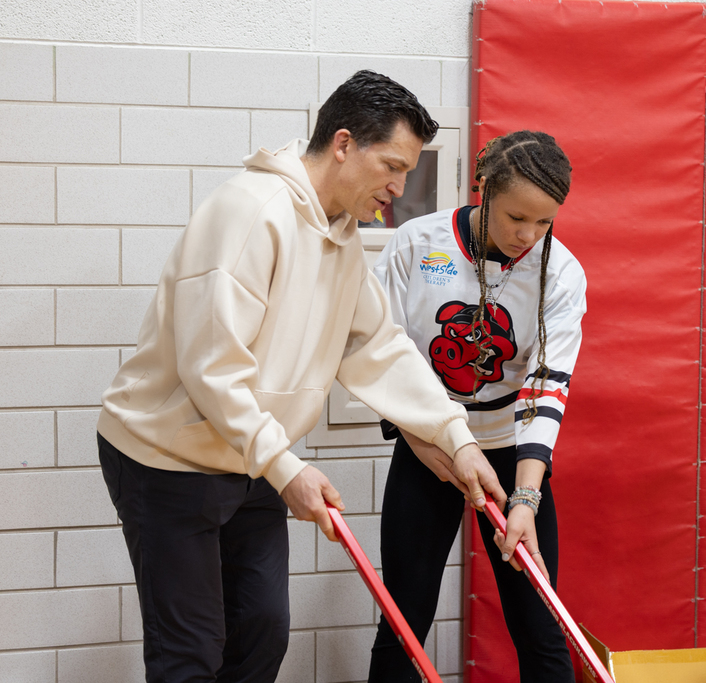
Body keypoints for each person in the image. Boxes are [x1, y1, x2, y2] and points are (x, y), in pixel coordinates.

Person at [95, 70, 504, 682]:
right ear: (343, 144)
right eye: (392, 166)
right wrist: (287, 469)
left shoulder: (339, 233)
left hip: (253, 455)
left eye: (407, 173)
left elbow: (376, 346)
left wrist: (456, 437)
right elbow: (211, 372)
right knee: (193, 652)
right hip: (167, 458)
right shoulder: (248, 214)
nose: (397, 188)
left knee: (261, 634)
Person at [367, 130, 585, 682]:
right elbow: (377, 352)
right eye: (517, 217)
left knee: (540, 623)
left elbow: (546, 387)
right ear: (484, 190)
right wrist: (421, 436)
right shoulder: (417, 244)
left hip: (514, 454)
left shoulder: (560, 273)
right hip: (430, 447)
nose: (528, 235)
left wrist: (527, 497)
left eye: (544, 222)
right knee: (403, 621)